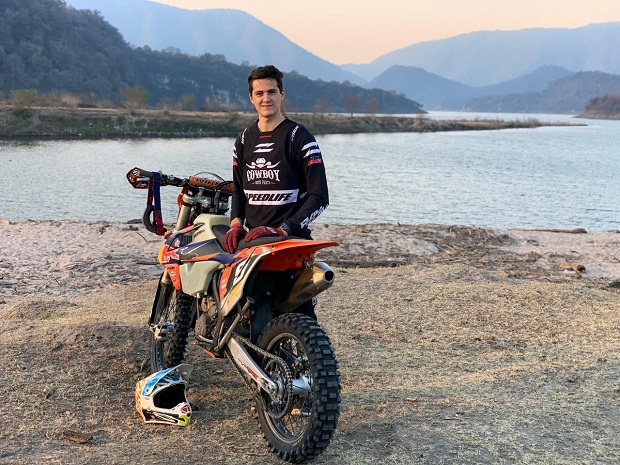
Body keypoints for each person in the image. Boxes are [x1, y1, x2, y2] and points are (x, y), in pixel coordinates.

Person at [223, 65, 329, 319]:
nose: (266, 98)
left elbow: (319, 197)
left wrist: (283, 229)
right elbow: (239, 190)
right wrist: (235, 224)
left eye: (271, 92)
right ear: (251, 98)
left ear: (282, 94)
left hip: (290, 242)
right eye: (259, 93)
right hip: (253, 243)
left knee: (300, 319)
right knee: (246, 316)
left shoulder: (299, 137)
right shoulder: (244, 140)